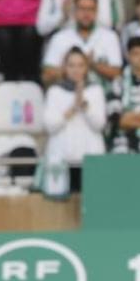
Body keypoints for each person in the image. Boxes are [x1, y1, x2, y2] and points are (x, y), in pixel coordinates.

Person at [43, 50, 108, 187]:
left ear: (86, 68)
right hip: (62, 157)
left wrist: (84, 105)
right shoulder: (54, 91)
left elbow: (99, 125)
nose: (76, 70)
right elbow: (50, 126)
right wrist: (73, 107)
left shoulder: (96, 90)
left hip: (90, 157)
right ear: (65, 68)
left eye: (80, 65)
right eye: (71, 65)